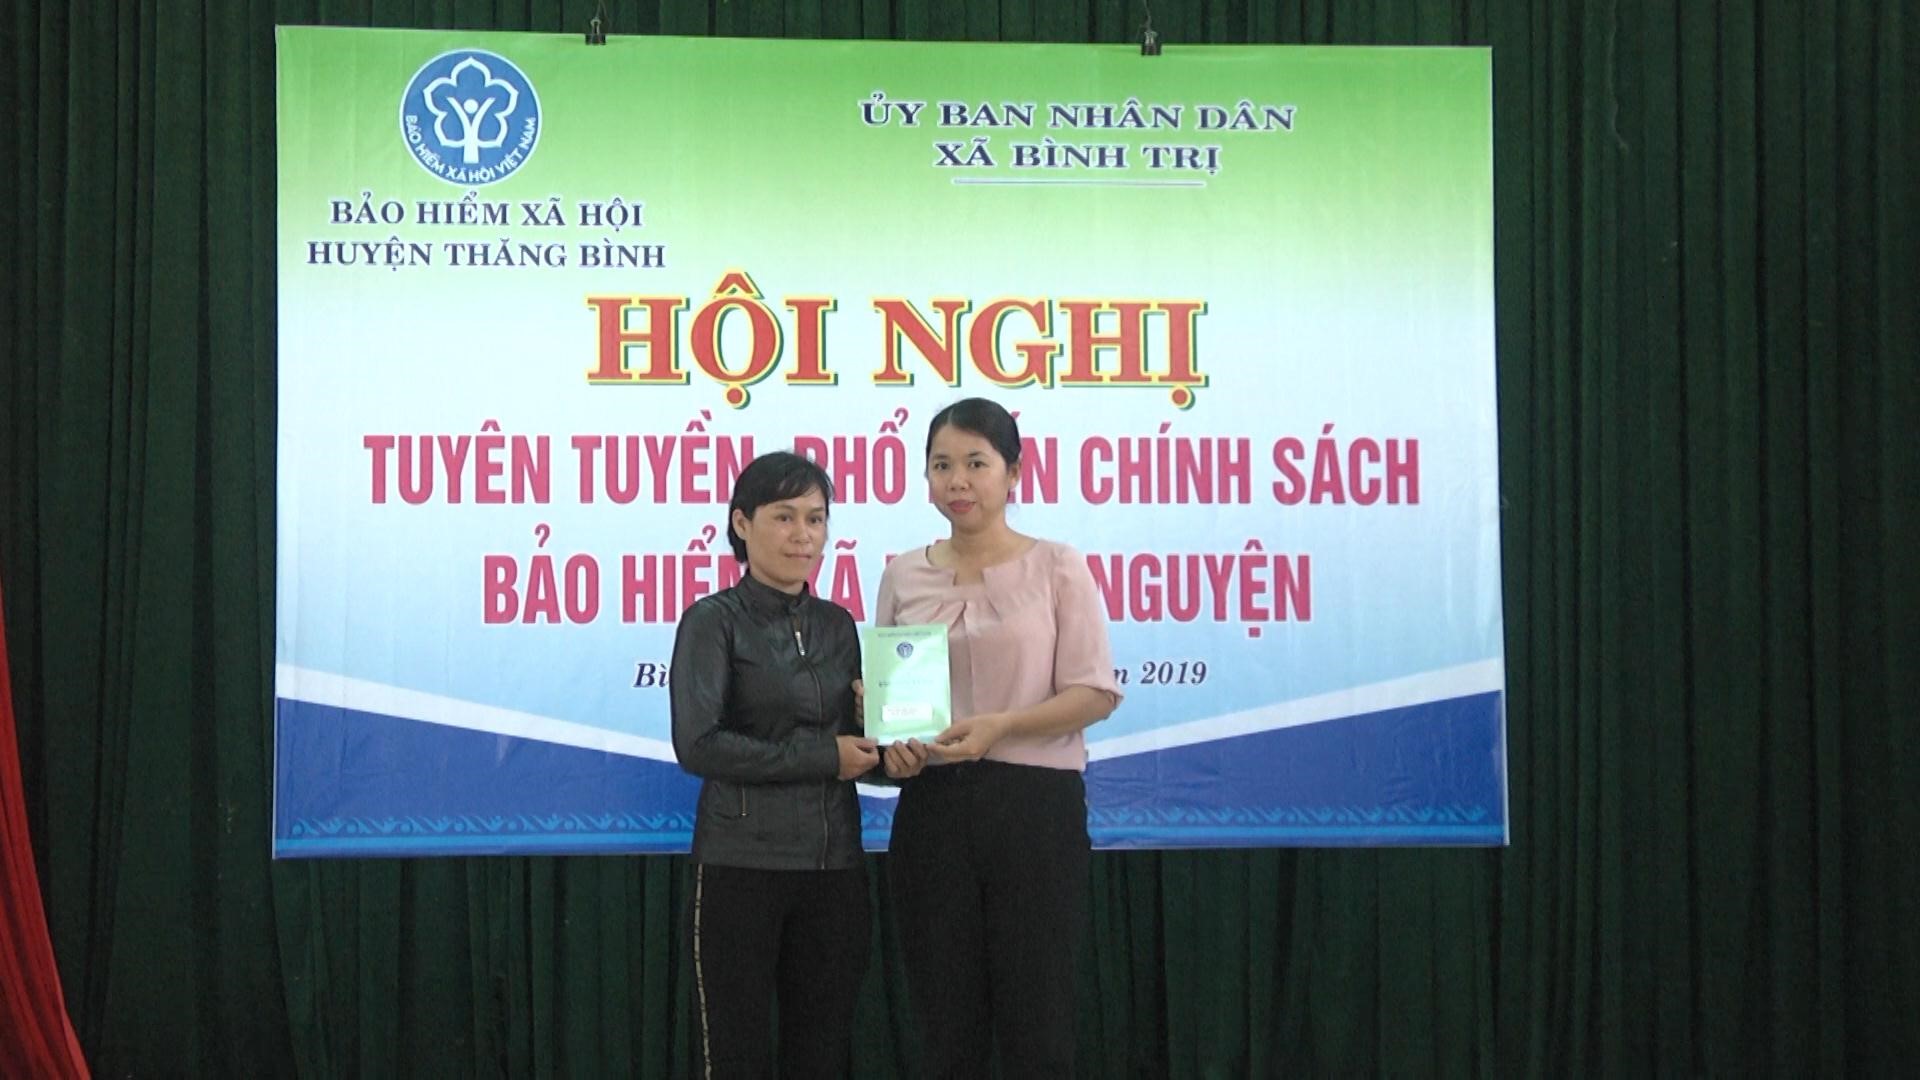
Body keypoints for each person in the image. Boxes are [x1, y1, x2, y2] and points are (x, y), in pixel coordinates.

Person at [874, 398, 1122, 1078]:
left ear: (1013, 473)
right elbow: (895, 704)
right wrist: (892, 743)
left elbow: (1094, 692)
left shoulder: (1058, 566)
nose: (958, 480)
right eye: (941, 465)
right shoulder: (902, 574)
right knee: (944, 1024)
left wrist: (1002, 726)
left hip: (1033, 810)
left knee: (1037, 1022)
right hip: (932, 812)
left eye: (976, 463)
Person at [670, 450, 900, 1079]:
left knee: (821, 1055)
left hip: (834, 871)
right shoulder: (712, 621)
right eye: (784, 516)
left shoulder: (838, 624)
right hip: (741, 866)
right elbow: (699, 745)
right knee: (736, 1057)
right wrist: (826, 755)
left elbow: (857, 748)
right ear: (742, 524)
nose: (803, 535)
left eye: (815, 519)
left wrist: (896, 758)